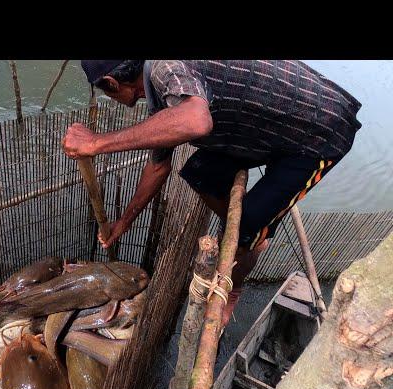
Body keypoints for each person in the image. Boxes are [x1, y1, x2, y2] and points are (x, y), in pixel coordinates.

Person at [62, 60, 362, 327]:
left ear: (113, 83)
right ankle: (250, 233)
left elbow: (196, 121)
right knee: (199, 171)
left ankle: (238, 274)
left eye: (108, 94)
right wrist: (124, 222)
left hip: (318, 132)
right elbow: (157, 167)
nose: (113, 100)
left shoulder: (166, 67)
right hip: (266, 127)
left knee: (246, 227)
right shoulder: (164, 96)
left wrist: (97, 143)